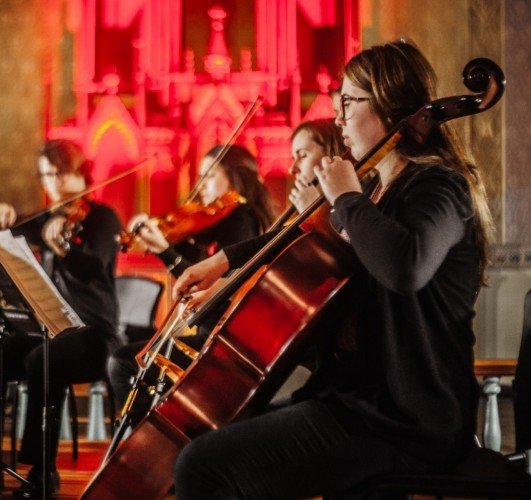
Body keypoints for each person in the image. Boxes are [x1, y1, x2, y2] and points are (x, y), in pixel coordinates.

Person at [171, 40, 494, 498]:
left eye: (348, 102)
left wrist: (345, 199)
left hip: (407, 420)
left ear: (391, 104)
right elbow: (306, 239)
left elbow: (406, 267)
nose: (338, 118)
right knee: (205, 439)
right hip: (355, 403)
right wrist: (226, 261)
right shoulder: (377, 191)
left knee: (202, 467)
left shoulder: (438, 186)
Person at [0, 139, 122, 499]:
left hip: (95, 336)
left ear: (79, 174)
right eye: (44, 176)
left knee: (44, 359)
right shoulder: (46, 219)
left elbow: (93, 264)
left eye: (58, 174)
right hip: (53, 331)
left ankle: (42, 473)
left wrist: (63, 248)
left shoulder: (102, 218)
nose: (51, 184)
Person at [106, 144, 274, 427]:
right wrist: (153, 235)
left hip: (216, 340)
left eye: (209, 175)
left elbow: (207, 290)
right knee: (125, 360)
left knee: (124, 363)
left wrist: (164, 249)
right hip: (204, 332)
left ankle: (149, 447)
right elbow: (190, 264)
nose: (201, 184)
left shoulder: (241, 220)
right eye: (200, 175)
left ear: (235, 177)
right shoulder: (215, 223)